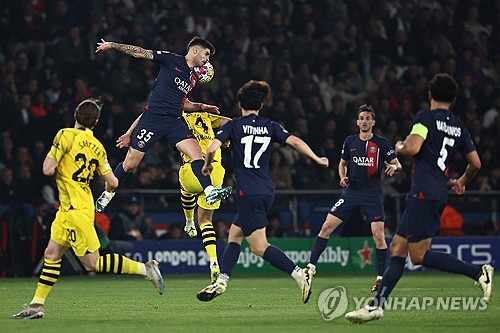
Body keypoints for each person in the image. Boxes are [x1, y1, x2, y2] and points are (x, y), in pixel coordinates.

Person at [345, 73, 493, 323]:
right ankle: (376, 306)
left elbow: (413, 147)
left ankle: (478, 271)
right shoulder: (458, 125)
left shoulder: (425, 117)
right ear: (454, 98)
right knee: (399, 249)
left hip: (423, 191)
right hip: (437, 193)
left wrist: (400, 145)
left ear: (430, 95)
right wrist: (462, 182)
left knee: (419, 255)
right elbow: (476, 163)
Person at [11, 98, 164, 320]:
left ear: (75, 115)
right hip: (73, 207)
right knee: (51, 254)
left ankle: (146, 269)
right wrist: (105, 195)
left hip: (75, 210)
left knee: (92, 264)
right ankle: (36, 306)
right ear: (96, 122)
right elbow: (113, 182)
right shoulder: (98, 147)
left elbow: (46, 169)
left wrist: (57, 161)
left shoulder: (64, 135)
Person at [196, 80, 329, 302]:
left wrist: (207, 164)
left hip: (247, 192)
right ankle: (222, 280)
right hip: (266, 190)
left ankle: (299, 275)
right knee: (234, 235)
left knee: (259, 247)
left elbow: (211, 147)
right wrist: (316, 158)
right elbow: (294, 141)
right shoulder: (270, 126)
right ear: (261, 105)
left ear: (239, 103)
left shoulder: (234, 125)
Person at [93, 36, 232, 212]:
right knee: (130, 165)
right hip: (153, 119)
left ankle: (210, 191)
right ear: (195, 51)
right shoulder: (171, 59)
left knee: (197, 155)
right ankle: (107, 193)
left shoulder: (192, 79)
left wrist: (201, 106)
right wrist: (112, 45)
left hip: (174, 122)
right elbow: (139, 53)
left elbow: (182, 103)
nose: (207, 60)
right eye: (206, 54)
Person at [302, 104, 402, 302]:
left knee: (378, 236)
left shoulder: (381, 143)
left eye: (368, 118)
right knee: (326, 226)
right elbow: (342, 163)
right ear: (357, 122)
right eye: (361, 118)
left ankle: (381, 278)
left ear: (373, 122)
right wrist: (342, 177)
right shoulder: (350, 141)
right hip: (351, 193)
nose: (364, 121)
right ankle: (310, 268)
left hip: (372, 194)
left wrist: (393, 167)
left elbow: (397, 163)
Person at [178, 111, 231, 283]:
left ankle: (188, 222)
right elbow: (229, 122)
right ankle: (214, 262)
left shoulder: (178, 116)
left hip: (195, 169)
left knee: (185, 187)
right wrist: (226, 138)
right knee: (206, 220)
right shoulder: (207, 116)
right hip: (216, 171)